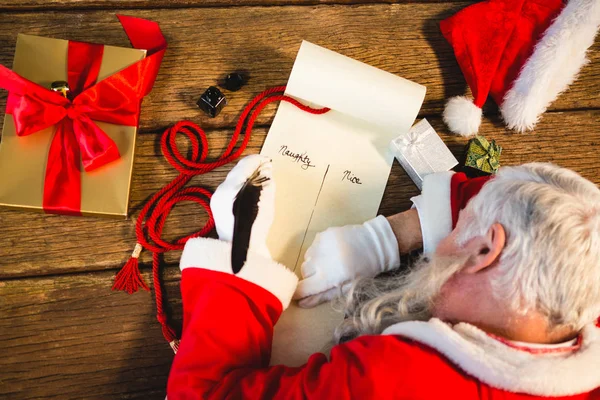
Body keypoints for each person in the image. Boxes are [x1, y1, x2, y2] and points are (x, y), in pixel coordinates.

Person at [167, 155, 600, 399]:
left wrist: (238, 259)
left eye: (459, 224)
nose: (446, 238)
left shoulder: (388, 381)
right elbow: (538, 210)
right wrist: (392, 234)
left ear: (486, 251)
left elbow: (202, 396)